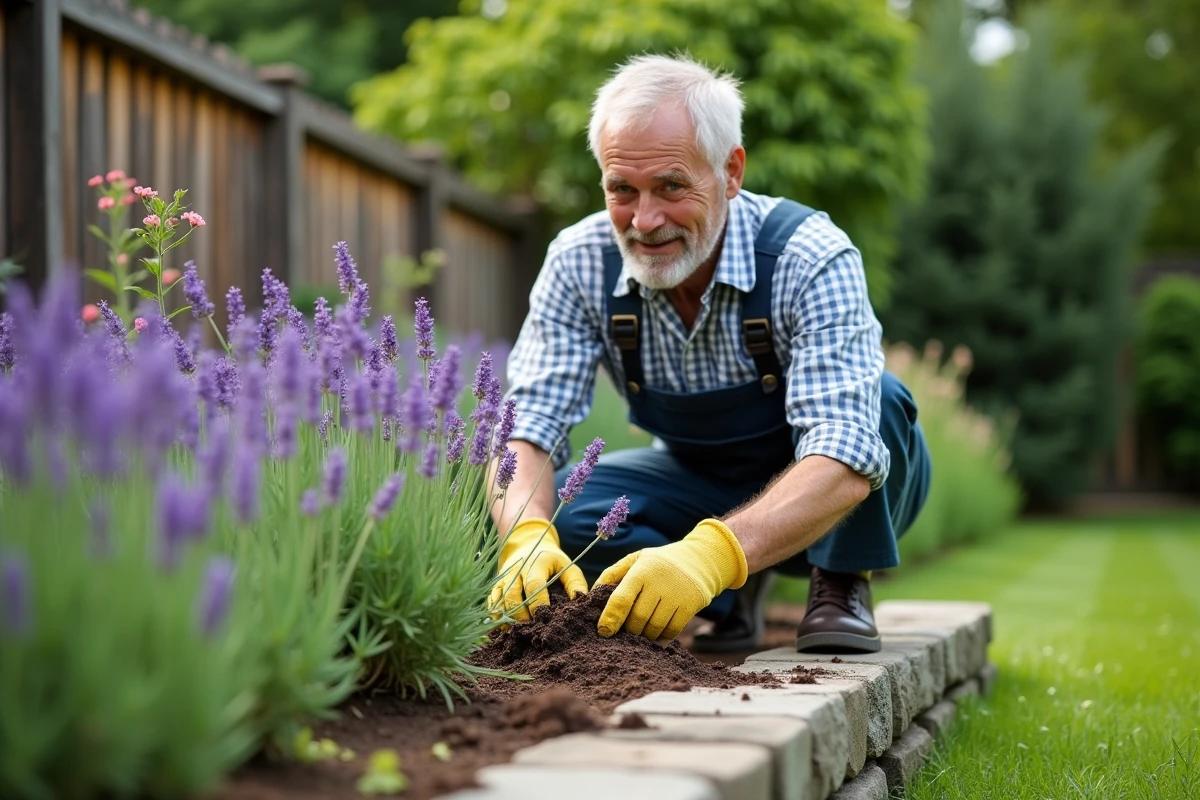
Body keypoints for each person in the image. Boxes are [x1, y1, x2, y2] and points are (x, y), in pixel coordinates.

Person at [488, 53, 931, 654]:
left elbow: (846, 450)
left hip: (835, 497)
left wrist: (712, 553)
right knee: (578, 514)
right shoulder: (579, 260)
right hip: (697, 480)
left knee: (879, 400)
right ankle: (728, 598)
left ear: (730, 172)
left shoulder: (808, 255)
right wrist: (526, 531)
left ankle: (840, 582)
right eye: (623, 189)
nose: (645, 220)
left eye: (671, 186)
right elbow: (528, 423)